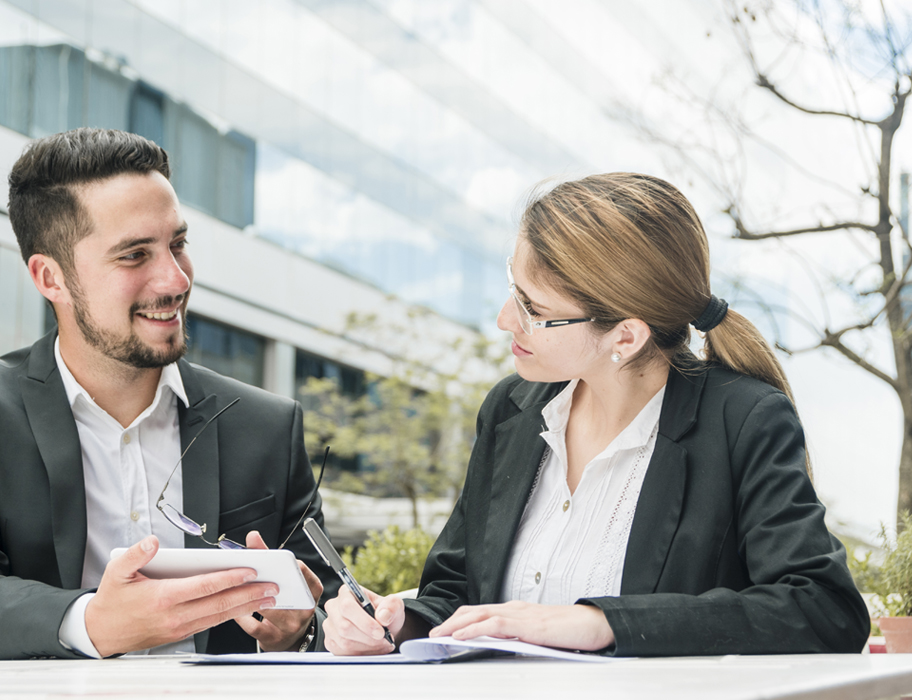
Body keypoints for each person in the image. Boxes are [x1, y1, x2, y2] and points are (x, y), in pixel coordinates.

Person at [323, 173, 870, 657]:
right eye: (513, 289)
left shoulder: (743, 419)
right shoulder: (510, 412)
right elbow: (456, 594)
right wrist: (400, 621)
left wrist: (602, 622)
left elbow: (822, 609)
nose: (503, 319)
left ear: (625, 336)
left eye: (533, 308)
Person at [0, 127, 340, 660]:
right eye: (134, 255)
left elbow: (327, 603)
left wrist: (296, 630)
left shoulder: (266, 423)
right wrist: (91, 623)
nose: (175, 280)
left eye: (177, 244)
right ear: (51, 277)